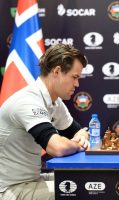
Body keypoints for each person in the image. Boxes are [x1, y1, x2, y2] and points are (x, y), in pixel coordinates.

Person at [0, 44, 89, 200]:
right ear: (57, 71)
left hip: (32, 181)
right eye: (74, 77)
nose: (77, 84)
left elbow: (79, 132)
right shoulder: (28, 101)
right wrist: (77, 144)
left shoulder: (54, 101)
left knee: (89, 183)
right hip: (10, 189)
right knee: (84, 192)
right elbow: (57, 148)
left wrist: (77, 140)